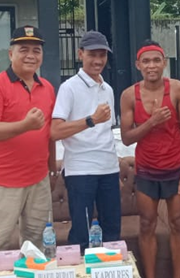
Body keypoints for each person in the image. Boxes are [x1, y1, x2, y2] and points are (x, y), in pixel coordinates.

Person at [0, 25, 56, 253]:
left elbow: (49, 132)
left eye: (36, 50)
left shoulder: (47, 88)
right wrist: (25, 126)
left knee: (38, 246)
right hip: (1, 181)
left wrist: (51, 169)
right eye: (24, 49)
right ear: (11, 54)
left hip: (38, 181)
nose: (31, 55)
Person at [119, 40, 180, 278]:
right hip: (147, 171)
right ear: (138, 65)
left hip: (175, 169)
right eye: (146, 61)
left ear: (164, 62)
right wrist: (152, 122)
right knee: (147, 225)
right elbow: (127, 138)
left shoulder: (178, 89)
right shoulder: (129, 95)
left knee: (178, 224)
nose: (151, 66)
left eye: (156, 60)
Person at [51, 31, 120, 251]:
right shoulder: (69, 87)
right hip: (81, 170)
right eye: (92, 54)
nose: (98, 60)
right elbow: (55, 130)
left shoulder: (107, 89)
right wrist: (91, 120)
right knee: (82, 234)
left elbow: (106, 132)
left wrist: (114, 163)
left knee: (112, 232)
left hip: (109, 168)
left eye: (102, 55)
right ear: (80, 54)